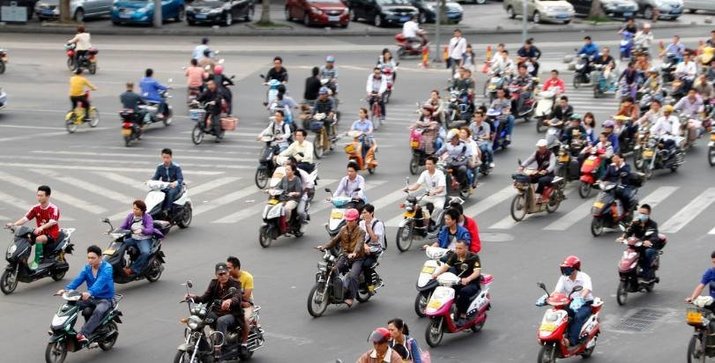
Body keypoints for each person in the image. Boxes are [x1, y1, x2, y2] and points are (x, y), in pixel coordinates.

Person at [57, 245, 115, 343]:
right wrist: (66, 289)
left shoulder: (107, 268)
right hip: (91, 298)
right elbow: (77, 279)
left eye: (93, 258)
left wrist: (90, 292)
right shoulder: (87, 268)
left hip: (105, 299)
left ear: (100, 257)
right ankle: (61, 327)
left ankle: (83, 334)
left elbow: (100, 282)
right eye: (88, 258)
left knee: (99, 311)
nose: (90, 260)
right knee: (70, 305)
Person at [185, 263, 244, 356]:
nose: (223, 276)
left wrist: (229, 301)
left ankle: (219, 348)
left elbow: (237, 297)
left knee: (221, 321)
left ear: (228, 273)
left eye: (225, 273)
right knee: (198, 318)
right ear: (216, 275)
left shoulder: (236, 284)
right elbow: (204, 298)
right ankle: (201, 344)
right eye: (220, 274)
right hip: (215, 312)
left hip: (232, 314)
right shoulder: (214, 283)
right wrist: (194, 297)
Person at [538, 256, 593, 347]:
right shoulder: (563, 278)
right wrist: (546, 298)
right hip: (570, 302)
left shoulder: (584, 277)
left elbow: (586, 289)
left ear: (575, 268)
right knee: (557, 314)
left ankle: (571, 340)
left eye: (567, 268)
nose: (564, 271)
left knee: (578, 317)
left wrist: (580, 299)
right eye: (564, 268)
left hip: (585, 304)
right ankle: (550, 335)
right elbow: (557, 291)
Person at [317, 208, 365, 307]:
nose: (348, 222)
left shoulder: (361, 232)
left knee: (352, 276)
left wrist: (355, 253)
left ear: (356, 220)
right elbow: (334, 240)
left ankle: (350, 297)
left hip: (357, 258)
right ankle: (331, 293)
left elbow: (359, 244)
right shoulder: (343, 229)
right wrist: (324, 246)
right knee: (332, 270)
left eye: (350, 220)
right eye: (347, 220)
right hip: (345, 256)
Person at [6, 185, 60, 270]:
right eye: (38, 195)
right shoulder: (36, 208)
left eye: (41, 196)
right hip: (39, 231)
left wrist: (41, 228)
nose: (39, 197)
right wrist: (14, 225)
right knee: (25, 239)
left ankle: (37, 261)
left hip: (51, 233)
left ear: (48, 196)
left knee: (39, 239)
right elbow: (25, 218)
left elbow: (52, 222)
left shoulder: (54, 208)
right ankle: (22, 261)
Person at [431, 239, 481, 325]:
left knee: (464, 292)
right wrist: (436, 274)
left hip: (472, 283)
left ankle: (463, 315)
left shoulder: (474, 257)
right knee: (444, 289)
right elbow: (446, 266)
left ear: (466, 248)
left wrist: (468, 279)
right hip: (459, 281)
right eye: (456, 248)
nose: (457, 250)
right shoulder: (455, 255)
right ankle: (442, 309)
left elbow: (477, 272)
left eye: (460, 248)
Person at [619, 204, 663, 282]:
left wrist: (649, 241)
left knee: (648, 253)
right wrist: (623, 237)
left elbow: (654, 236)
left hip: (648, 246)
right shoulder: (636, 222)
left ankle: (646, 275)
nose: (641, 215)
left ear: (648, 214)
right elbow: (629, 231)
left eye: (644, 214)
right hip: (637, 244)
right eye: (640, 213)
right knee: (628, 252)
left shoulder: (653, 224)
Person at [405, 155, 447, 228]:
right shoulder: (424, 173)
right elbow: (417, 185)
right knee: (414, 205)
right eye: (426, 164)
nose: (427, 166)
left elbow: (441, 188)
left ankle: (432, 221)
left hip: (439, 197)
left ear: (434, 165)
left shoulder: (440, 174)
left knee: (439, 207)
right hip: (427, 196)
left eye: (430, 164)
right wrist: (409, 188)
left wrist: (434, 192)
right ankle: (415, 221)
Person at [118, 200, 157, 277]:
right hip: (133, 239)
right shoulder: (130, 216)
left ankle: (133, 269)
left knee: (145, 253)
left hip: (144, 239)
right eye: (134, 208)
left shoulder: (147, 217)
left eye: (137, 209)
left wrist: (142, 230)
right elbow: (122, 226)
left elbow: (150, 229)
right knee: (120, 245)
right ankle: (119, 265)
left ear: (142, 210)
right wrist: (115, 231)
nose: (134, 211)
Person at [226, 256, 252, 353]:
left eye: (229, 268)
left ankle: (244, 344)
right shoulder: (226, 277)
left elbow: (246, 297)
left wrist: (232, 299)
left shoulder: (247, 277)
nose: (226, 270)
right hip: (231, 303)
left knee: (244, 319)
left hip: (246, 304)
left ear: (236, 268)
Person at [359, 204, 385, 294]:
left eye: (365, 212)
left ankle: (370, 286)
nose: (363, 214)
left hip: (375, 249)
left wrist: (368, 226)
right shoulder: (361, 223)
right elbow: (359, 237)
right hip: (363, 247)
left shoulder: (378, 224)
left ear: (372, 213)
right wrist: (364, 245)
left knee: (366, 265)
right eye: (362, 212)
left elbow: (374, 239)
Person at [151, 148, 184, 215]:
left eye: (167, 157)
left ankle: (167, 209)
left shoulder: (176, 167)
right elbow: (156, 177)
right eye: (164, 157)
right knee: (152, 193)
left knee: (170, 193)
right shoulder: (160, 167)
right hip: (164, 186)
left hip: (175, 187)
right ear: (162, 157)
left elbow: (180, 178)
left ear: (171, 157)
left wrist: (175, 183)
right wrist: (150, 182)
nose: (165, 159)